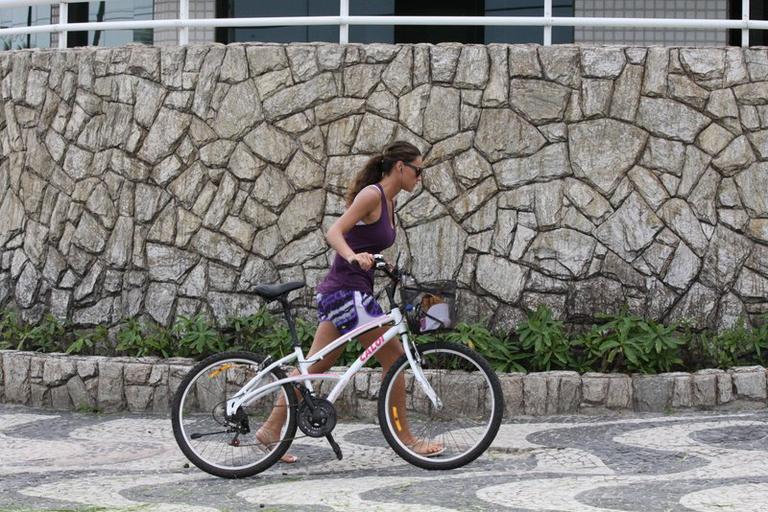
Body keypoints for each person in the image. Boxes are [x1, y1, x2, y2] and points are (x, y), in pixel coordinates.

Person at [255, 141, 444, 463]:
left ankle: (271, 431)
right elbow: (335, 232)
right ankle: (406, 439)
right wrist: (352, 257)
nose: (421, 177)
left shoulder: (390, 202)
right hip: (346, 292)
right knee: (396, 360)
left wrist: (383, 264)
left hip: (349, 290)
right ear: (400, 167)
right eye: (418, 170)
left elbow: (364, 240)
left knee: (315, 366)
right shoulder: (372, 194)